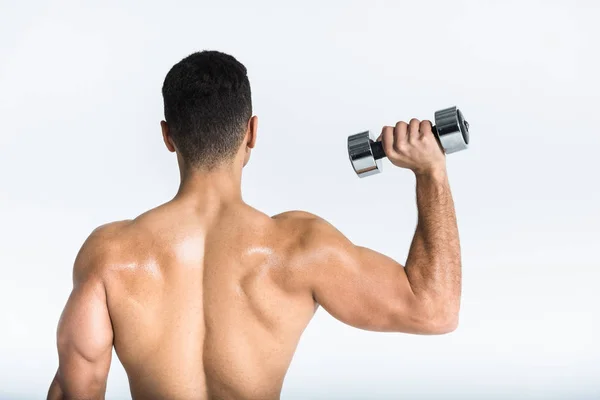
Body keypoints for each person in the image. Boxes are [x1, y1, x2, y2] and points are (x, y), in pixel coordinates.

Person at [47, 50, 461, 400]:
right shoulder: (300, 248)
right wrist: (431, 173)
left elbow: (76, 387)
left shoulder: (109, 256)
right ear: (251, 132)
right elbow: (436, 311)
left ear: (168, 136)